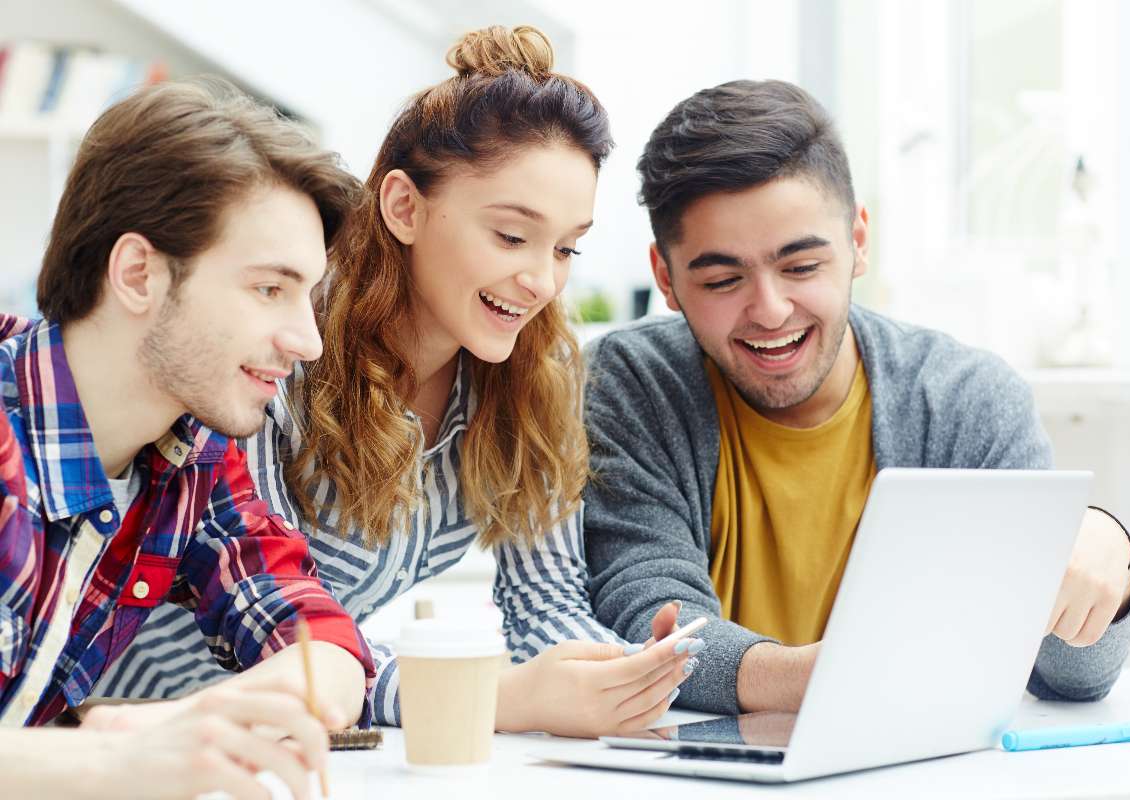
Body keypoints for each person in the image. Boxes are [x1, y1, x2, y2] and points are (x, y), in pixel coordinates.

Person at [98, 25, 696, 738]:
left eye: (566, 247)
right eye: (511, 236)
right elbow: (263, 627)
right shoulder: (283, 345)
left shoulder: (535, 371)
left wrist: (622, 675)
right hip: (122, 718)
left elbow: (545, 602)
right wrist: (491, 696)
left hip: (302, 728)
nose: (541, 281)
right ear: (404, 207)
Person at [583, 79, 1130, 715]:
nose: (769, 310)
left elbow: (1070, 678)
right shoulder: (628, 385)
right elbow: (647, 619)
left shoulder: (965, 399)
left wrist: (1107, 559)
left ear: (858, 242)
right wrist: (837, 675)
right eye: (722, 279)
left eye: (801, 267)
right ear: (667, 278)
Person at [0, 79, 376, 798]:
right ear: (138, 273)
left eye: (310, 296)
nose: (309, 342)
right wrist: (116, 763)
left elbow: (326, 651)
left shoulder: (191, 460)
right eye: (270, 289)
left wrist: (187, 728)